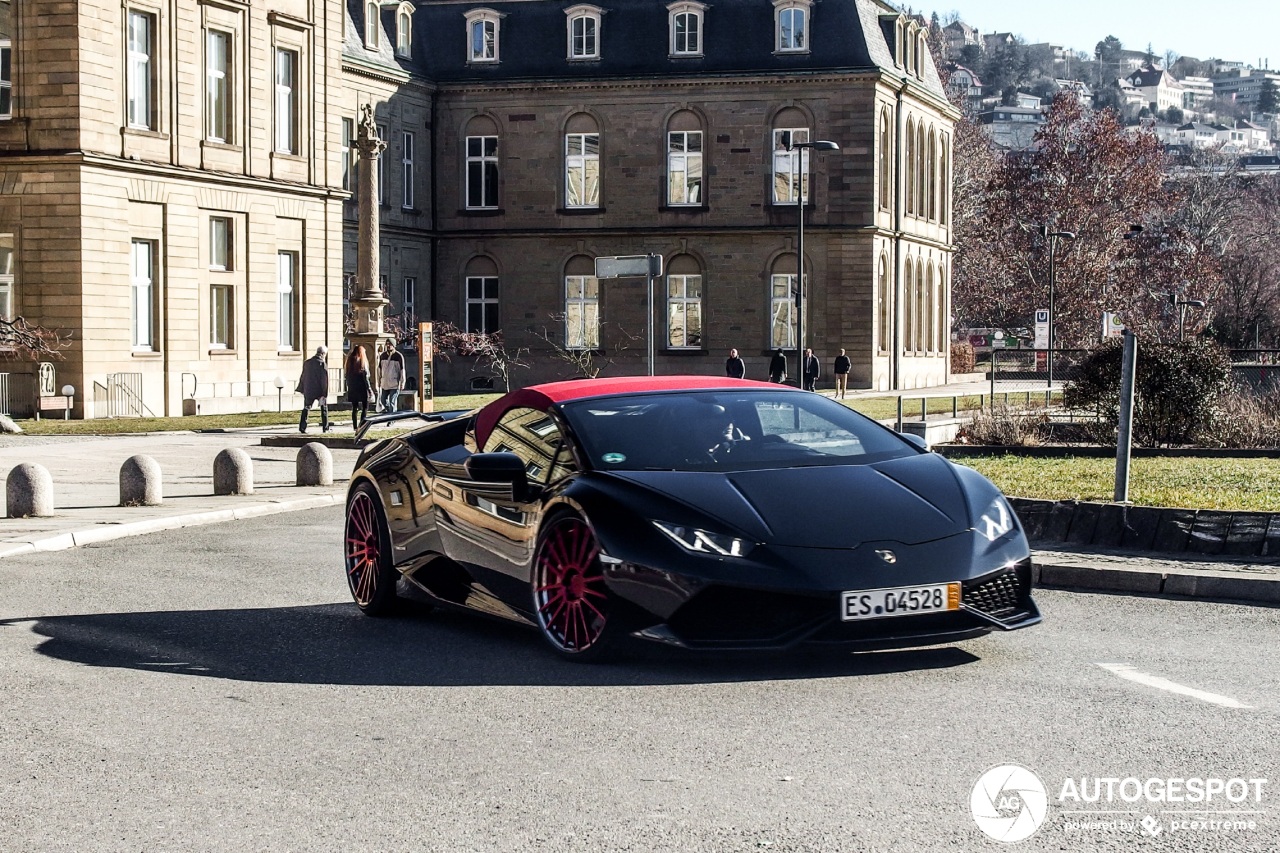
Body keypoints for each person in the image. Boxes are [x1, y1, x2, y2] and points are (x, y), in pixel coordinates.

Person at [297, 345, 330, 434]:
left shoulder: (307, 362)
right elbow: (324, 380)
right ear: (323, 354)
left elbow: (303, 376)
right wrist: (325, 393)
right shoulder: (322, 364)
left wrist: (302, 388)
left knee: (306, 408)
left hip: (308, 389)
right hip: (319, 391)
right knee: (324, 409)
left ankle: (302, 427)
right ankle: (325, 428)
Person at [345, 345, 373, 430]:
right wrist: (369, 389)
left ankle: (354, 426)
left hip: (353, 388)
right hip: (362, 388)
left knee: (355, 408)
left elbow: (347, 376)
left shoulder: (350, 362)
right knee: (365, 407)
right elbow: (366, 378)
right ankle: (362, 424)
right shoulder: (362, 362)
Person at [377, 340, 406, 413]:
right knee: (383, 400)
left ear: (394, 345)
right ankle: (390, 412)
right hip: (385, 383)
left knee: (392, 402)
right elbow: (379, 369)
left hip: (394, 383)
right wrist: (379, 381)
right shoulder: (383, 355)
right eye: (387, 344)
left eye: (390, 344)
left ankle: (391, 419)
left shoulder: (398, 356)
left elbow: (402, 370)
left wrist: (402, 382)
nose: (388, 345)